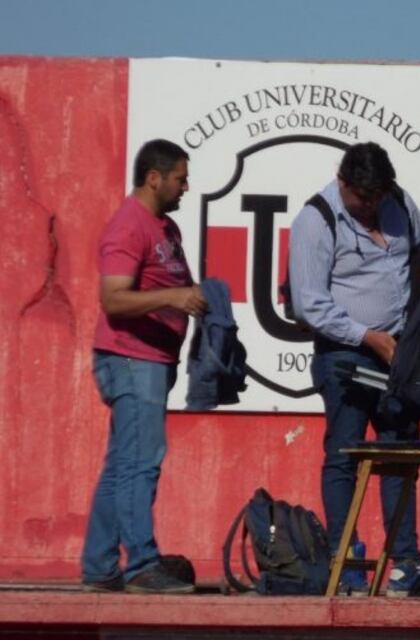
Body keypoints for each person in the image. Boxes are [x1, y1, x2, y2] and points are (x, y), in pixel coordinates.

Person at [289, 142, 420, 596]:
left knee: (400, 457)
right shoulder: (316, 219)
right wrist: (367, 336)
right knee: (345, 457)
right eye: (362, 199)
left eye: (379, 198)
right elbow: (309, 303)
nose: (371, 208)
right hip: (344, 354)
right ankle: (347, 563)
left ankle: (404, 566)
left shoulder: (402, 202)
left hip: (400, 352)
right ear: (343, 182)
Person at [82, 139, 206, 594]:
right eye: (180, 177)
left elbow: (176, 282)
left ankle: (99, 565)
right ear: (154, 177)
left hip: (153, 360)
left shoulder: (166, 229)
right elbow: (112, 298)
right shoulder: (128, 226)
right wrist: (173, 297)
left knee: (121, 465)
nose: (185, 186)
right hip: (131, 359)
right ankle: (141, 566)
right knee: (141, 463)